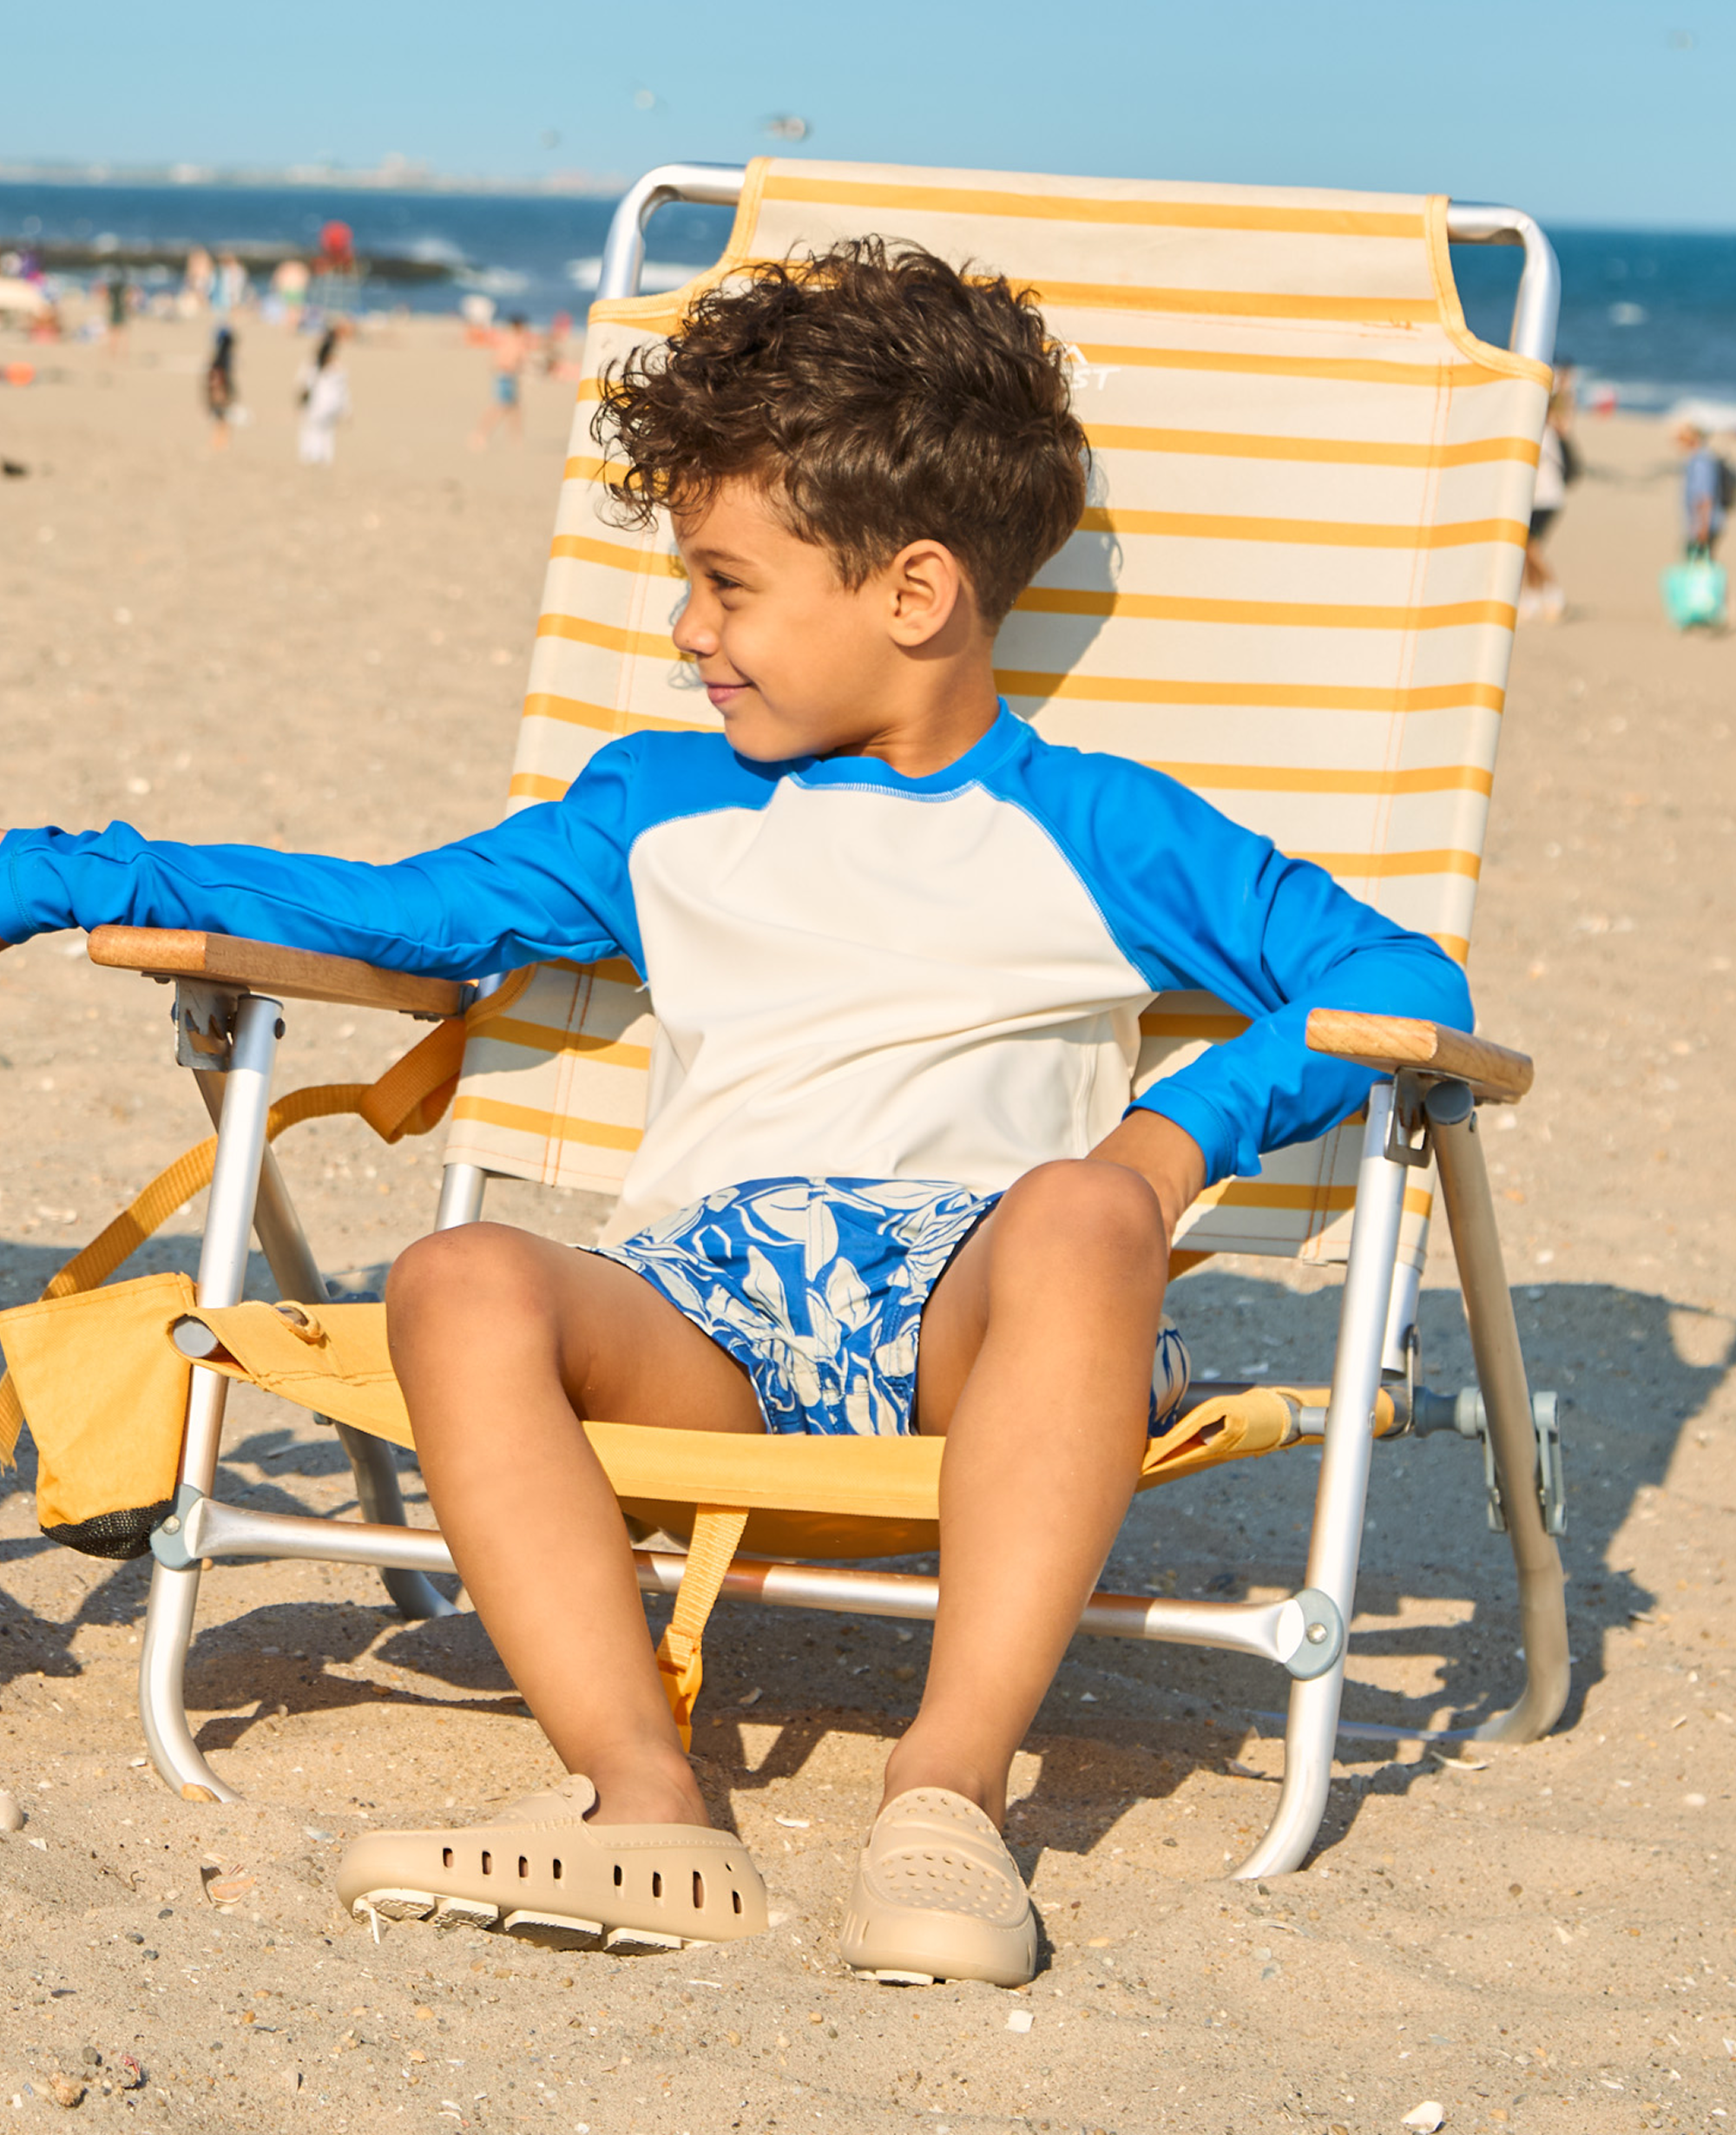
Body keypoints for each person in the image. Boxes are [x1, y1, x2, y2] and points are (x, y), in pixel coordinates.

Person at [0, 241, 1471, 1987]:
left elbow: (1401, 980)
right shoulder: (658, 806)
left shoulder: (1098, 828)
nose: (688, 630)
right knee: (461, 1274)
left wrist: (1162, 1147)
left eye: (726, 584)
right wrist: (63, 872)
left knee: (1088, 1210)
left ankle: (945, 1793)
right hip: (700, 1306)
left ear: (914, 592)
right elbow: (403, 913)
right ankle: (643, 1801)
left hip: (983, 1309)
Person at [1520, 379, 1577, 623]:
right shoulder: (1547, 430)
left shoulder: (1544, 433)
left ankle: (1554, 595)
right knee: (1527, 551)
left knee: (1531, 550)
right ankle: (1533, 597)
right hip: (1538, 500)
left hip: (1546, 500)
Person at [470, 312, 530, 448]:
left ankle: (516, 437)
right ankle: (480, 434)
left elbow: (497, 360)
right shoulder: (516, 340)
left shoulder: (507, 339)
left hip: (506, 376)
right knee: (499, 408)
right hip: (506, 377)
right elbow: (516, 359)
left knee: (515, 408)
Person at [295, 325, 350, 465]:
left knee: (313, 429)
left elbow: (303, 383)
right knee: (325, 431)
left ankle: (312, 456)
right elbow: (343, 392)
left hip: (319, 404)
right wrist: (346, 410)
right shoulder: (336, 367)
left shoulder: (314, 365)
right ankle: (323, 457)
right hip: (328, 404)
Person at [1677, 420, 1728, 559]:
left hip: (1704, 527)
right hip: (1702, 525)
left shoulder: (1701, 461)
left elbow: (1705, 496)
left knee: (1699, 565)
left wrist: (1702, 529)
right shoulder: (1699, 458)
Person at [204, 325, 237, 451]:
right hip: (221, 389)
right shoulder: (225, 356)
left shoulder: (222, 356)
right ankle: (220, 441)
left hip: (220, 389)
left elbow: (216, 374)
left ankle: (220, 441)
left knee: (221, 416)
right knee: (221, 416)